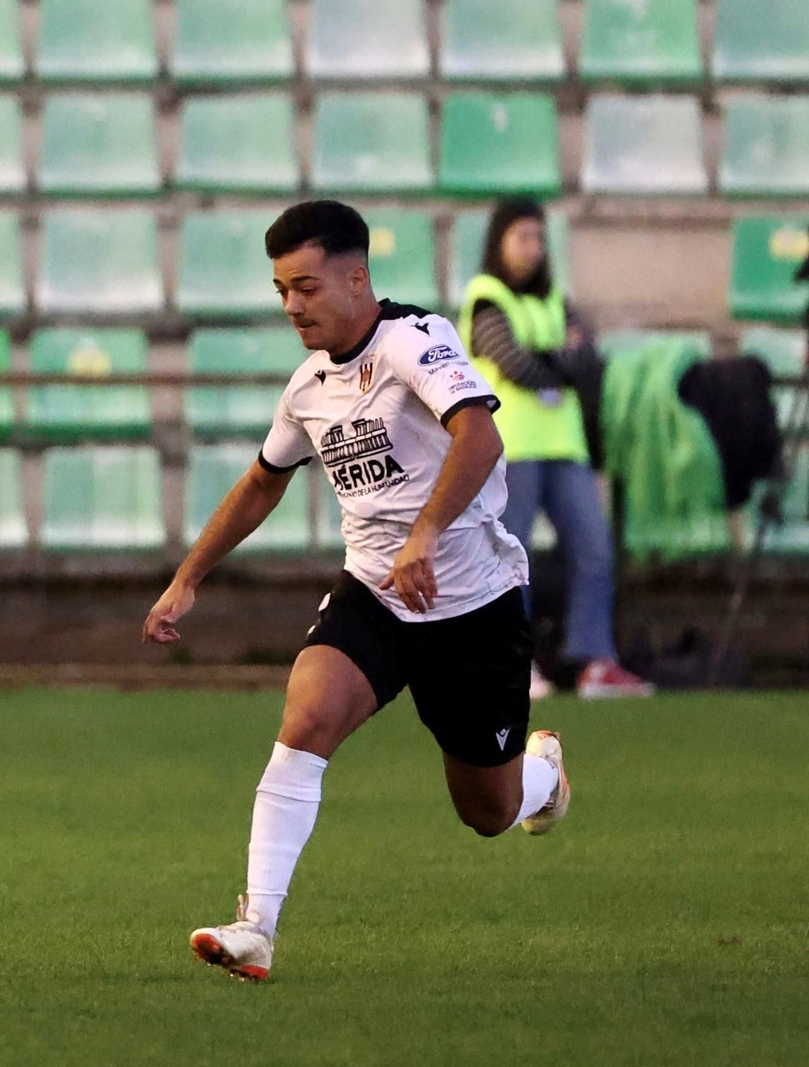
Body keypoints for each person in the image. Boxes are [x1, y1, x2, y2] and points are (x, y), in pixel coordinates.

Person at [144, 201, 569, 983]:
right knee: (305, 714)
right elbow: (261, 482)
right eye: (281, 290)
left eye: (304, 286)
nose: (292, 306)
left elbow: (481, 435)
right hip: (375, 594)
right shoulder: (308, 386)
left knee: (488, 811)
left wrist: (425, 535)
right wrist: (187, 578)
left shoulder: (418, 341)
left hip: (471, 602)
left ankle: (542, 778)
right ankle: (255, 926)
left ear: (356, 276)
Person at [458, 197, 652, 700]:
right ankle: (514, 662)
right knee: (509, 556)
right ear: (499, 242)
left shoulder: (555, 297)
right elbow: (514, 364)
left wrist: (558, 361)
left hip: (564, 446)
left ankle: (593, 660)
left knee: (594, 549)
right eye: (522, 237)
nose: (533, 248)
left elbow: (591, 359)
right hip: (511, 445)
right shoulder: (486, 296)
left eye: (539, 238)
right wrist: (563, 361)